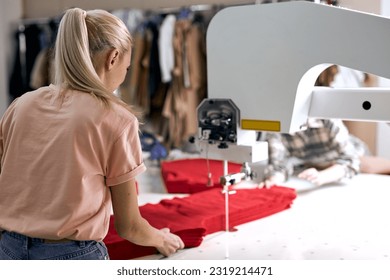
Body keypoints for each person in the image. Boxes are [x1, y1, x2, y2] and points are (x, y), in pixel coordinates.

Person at [0, 8, 184, 260]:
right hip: (72, 257)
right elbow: (130, 227)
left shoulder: (21, 105)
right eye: (126, 68)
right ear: (113, 57)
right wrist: (162, 238)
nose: (123, 76)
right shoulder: (116, 119)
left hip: (8, 250)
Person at [260, 65, 361, 188]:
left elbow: (351, 160)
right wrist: (273, 180)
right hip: (313, 161)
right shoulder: (277, 126)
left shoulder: (326, 118)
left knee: (369, 165)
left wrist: (322, 176)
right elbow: (278, 165)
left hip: (348, 151)